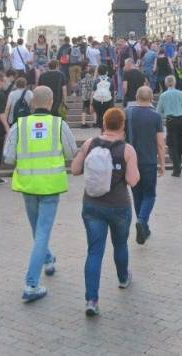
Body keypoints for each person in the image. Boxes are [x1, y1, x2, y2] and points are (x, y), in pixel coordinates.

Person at [3, 86, 78, 302]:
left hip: (27, 184)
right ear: (52, 100)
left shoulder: (19, 125)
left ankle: (48, 259)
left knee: (38, 229)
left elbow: (8, 157)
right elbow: (72, 152)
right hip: (51, 185)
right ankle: (31, 284)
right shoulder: (58, 124)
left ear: (32, 102)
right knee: (42, 232)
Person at [70, 107, 140, 316]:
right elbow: (132, 180)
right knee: (120, 244)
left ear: (104, 123)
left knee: (94, 251)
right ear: (122, 125)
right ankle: (123, 278)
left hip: (92, 206)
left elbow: (74, 170)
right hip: (119, 206)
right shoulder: (127, 149)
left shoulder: (90, 144)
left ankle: (91, 300)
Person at [126, 86, 165, 244]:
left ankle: (144, 227)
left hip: (131, 161)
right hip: (149, 161)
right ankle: (142, 221)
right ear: (151, 99)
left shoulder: (128, 113)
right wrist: (162, 163)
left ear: (136, 97)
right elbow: (160, 143)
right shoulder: (155, 116)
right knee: (150, 194)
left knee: (137, 194)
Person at [156, 75, 182, 178]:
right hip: (181, 120)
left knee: (171, 144)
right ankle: (178, 166)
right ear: (175, 82)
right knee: (180, 143)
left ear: (165, 83)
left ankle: (177, 167)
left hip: (171, 121)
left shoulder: (163, 95)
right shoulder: (181, 94)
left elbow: (158, 111)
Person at [90, 64, 114, 129]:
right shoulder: (110, 80)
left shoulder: (97, 80)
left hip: (97, 101)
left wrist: (91, 104)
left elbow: (93, 93)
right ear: (106, 71)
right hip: (107, 101)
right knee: (107, 117)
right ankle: (105, 129)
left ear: (98, 72)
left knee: (100, 117)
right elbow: (112, 93)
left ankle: (102, 131)